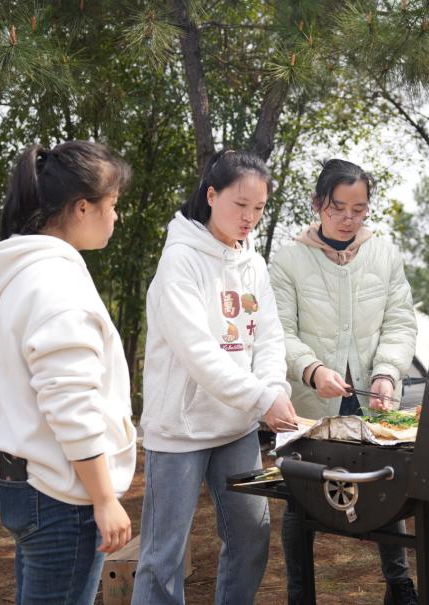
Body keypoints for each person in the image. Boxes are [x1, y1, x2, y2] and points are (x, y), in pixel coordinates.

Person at [0, 141, 136, 605]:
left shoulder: (21, 275)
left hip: (24, 480)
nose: (116, 216)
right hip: (61, 493)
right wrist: (104, 498)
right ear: (82, 208)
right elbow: (71, 403)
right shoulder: (58, 285)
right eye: (113, 205)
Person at [132, 150, 298, 605]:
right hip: (179, 432)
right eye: (240, 204)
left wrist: (273, 389)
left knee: (251, 537)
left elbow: (269, 337)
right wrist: (261, 399)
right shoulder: (179, 261)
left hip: (236, 426)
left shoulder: (254, 264)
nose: (249, 218)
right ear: (211, 195)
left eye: (259, 208)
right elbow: (199, 354)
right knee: (163, 557)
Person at [269, 159, 419, 604]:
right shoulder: (289, 259)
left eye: (359, 209)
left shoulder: (384, 254)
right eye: (339, 208)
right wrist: (312, 370)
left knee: (386, 488)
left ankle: (399, 585)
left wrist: (387, 372)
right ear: (318, 203)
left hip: (373, 399)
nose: (349, 218)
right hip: (312, 402)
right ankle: (300, 593)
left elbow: (399, 323)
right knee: (301, 496)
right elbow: (280, 332)